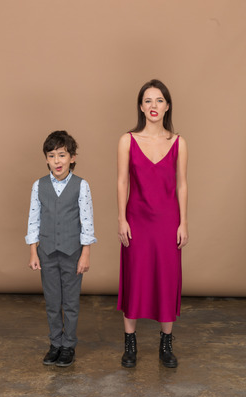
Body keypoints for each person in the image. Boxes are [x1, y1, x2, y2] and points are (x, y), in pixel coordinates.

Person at [117, 79, 188, 368]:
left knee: (166, 278)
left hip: (168, 220)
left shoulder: (179, 142)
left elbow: (182, 185)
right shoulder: (127, 140)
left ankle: (166, 344)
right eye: (148, 101)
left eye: (159, 100)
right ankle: (130, 344)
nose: (153, 106)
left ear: (167, 105)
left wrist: (184, 222)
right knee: (135, 276)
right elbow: (122, 181)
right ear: (141, 107)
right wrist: (121, 217)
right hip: (136, 218)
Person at [25, 130, 96, 367]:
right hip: (46, 252)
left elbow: (87, 222)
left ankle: (68, 346)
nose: (57, 161)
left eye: (62, 155)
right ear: (46, 158)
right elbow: (34, 220)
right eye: (52, 155)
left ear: (72, 157)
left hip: (72, 253)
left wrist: (85, 253)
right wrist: (33, 251)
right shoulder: (39, 186)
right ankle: (55, 343)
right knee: (53, 302)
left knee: (71, 303)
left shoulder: (81, 186)